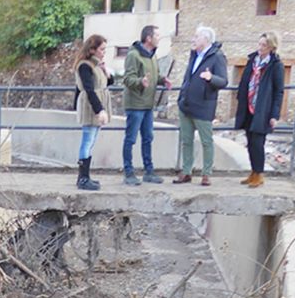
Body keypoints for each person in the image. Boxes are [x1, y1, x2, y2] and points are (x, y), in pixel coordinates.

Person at [173, 25, 228, 187]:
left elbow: (223, 81)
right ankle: (186, 171)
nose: (193, 39)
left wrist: (211, 77)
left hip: (203, 106)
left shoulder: (217, 56)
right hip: (186, 104)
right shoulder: (194, 55)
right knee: (186, 140)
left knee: (206, 141)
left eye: (196, 37)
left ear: (206, 39)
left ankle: (206, 173)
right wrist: (181, 96)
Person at [121, 25, 172, 186]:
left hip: (148, 105)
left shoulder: (152, 56)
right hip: (135, 104)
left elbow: (152, 76)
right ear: (148, 38)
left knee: (148, 138)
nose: (159, 38)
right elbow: (128, 79)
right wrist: (140, 83)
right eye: (157, 35)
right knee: (131, 139)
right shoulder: (133, 56)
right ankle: (128, 172)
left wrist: (162, 80)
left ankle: (148, 171)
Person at [235, 31, 284, 188]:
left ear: (271, 47)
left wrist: (274, 115)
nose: (260, 48)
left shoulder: (275, 65)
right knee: (249, 141)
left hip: (263, 108)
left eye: (264, 45)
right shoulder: (253, 60)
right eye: (259, 44)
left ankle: (259, 174)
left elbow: (278, 91)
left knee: (258, 142)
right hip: (248, 105)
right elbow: (245, 80)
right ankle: (253, 172)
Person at [73, 34, 113, 191]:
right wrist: (99, 110)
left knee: (91, 140)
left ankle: (85, 176)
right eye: (102, 49)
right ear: (92, 49)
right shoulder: (85, 66)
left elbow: (107, 82)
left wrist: (105, 71)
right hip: (91, 106)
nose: (104, 52)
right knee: (87, 141)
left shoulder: (96, 65)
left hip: (97, 102)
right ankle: (83, 178)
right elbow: (89, 89)